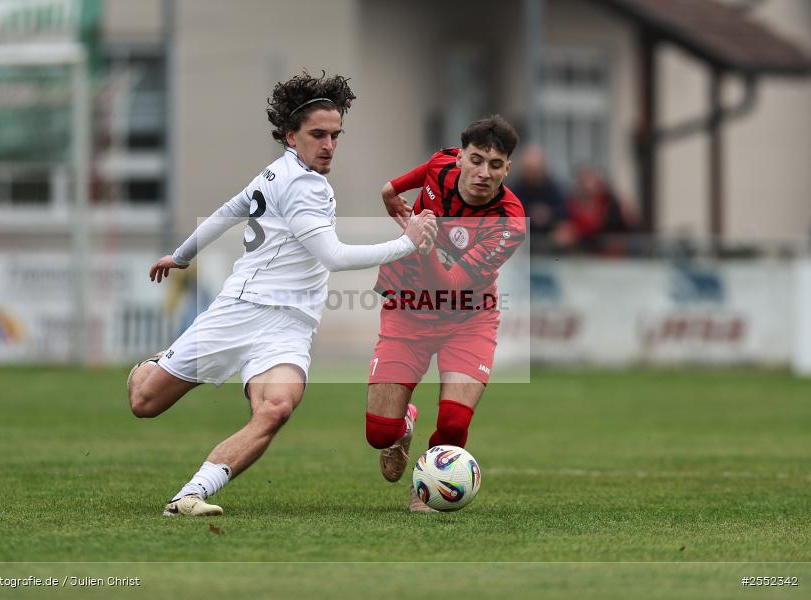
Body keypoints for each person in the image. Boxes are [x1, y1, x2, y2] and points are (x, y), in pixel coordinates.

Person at [127, 71, 437, 517]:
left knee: (275, 408)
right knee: (144, 402)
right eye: (318, 135)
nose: (328, 144)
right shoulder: (298, 184)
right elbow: (332, 255)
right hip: (241, 310)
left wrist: (180, 255)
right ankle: (152, 367)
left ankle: (190, 495)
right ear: (291, 136)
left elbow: (229, 209)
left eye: (335, 135)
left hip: (290, 327)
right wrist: (408, 240)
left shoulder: (285, 174)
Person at [365, 115, 526, 512]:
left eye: (495, 165)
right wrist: (391, 194)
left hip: (468, 317)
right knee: (378, 432)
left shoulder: (509, 221)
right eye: (476, 160)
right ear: (460, 158)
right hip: (407, 304)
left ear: (508, 168)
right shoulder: (442, 164)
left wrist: (427, 246)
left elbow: (451, 287)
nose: (483, 172)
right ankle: (402, 426)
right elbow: (416, 173)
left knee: (454, 422)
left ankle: (428, 488)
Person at [508, 145, 567, 252]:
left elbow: (564, 214)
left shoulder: (555, 188)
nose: (534, 174)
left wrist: (559, 224)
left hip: (550, 242)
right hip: (522, 245)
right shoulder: (513, 190)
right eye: (530, 169)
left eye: (537, 169)